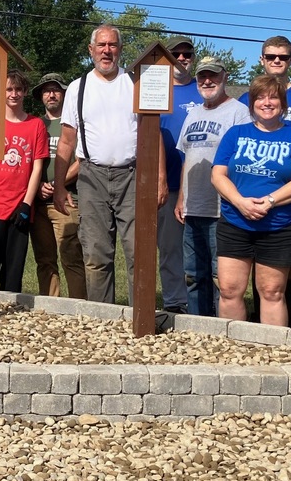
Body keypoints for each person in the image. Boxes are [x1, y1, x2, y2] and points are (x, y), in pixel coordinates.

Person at [52, 25, 166, 305]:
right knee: (95, 254)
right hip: (92, 177)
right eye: (101, 45)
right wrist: (58, 185)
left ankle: (141, 316)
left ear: (120, 49)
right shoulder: (78, 88)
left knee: (139, 251)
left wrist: (161, 179)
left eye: (112, 45)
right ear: (91, 51)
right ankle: (102, 318)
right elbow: (67, 142)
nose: (107, 51)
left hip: (132, 176)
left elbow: (154, 134)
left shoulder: (134, 84)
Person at [211, 75, 291, 326]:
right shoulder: (236, 133)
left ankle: (271, 352)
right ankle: (233, 348)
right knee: (229, 290)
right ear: (251, 103)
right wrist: (240, 202)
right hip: (235, 223)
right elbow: (218, 174)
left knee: (271, 292)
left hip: (278, 226)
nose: (267, 102)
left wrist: (269, 201)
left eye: (273, 97)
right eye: (260, 97)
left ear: (283, 104)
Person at [240, 35, 291, 327]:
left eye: (282, 57)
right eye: (271, 56)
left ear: (290, 61)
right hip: (249, 194)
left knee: (289, 261)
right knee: (249, 259)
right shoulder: (246, 96)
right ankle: (258, 313)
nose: (276, 61)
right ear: (261, 59)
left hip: (288, 196)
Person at [174, 57, 251, 316]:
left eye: (213, 76)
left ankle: (221, 329)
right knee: (194, 275)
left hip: (223, 209)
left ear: (224, 77)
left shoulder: (239, 112)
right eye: (202, 77)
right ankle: (197, 326)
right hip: (193, 207)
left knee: (222, 279)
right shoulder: (193, 113)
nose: (207, 81)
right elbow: (187, 157)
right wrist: (181, 198)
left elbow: (243, 162)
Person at [0, 70, 48, 292]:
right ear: (1, 92)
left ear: (24, 92)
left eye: (18, 89)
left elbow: (37, 167)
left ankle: (10, 317)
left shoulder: (35, 125)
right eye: (9, 89)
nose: (13, 94)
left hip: (19, 209)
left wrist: (26, 204)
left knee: (13, 273)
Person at [29, 73, 84, 298]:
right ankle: (51, 308)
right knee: (44, 260)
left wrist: (56, 183)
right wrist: (39, 185)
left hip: (68, 201)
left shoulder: (73, 124)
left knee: (71, 258)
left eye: (56, 90)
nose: (51, 95)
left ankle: (80, 308)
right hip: (38, 203)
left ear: (64, 94)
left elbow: (82, 161)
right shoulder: (35, 124)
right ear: (41, 96)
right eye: (46, 91)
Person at [158, 37, 203, 313]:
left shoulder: (204, 89)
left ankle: (203, 303)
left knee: (202, 250)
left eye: (187, 54)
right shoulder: (156, 91)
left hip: (203, 186)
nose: (182, 58)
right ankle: (175, 302)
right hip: (169, 185)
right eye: (176, 53)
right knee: (170, 249)